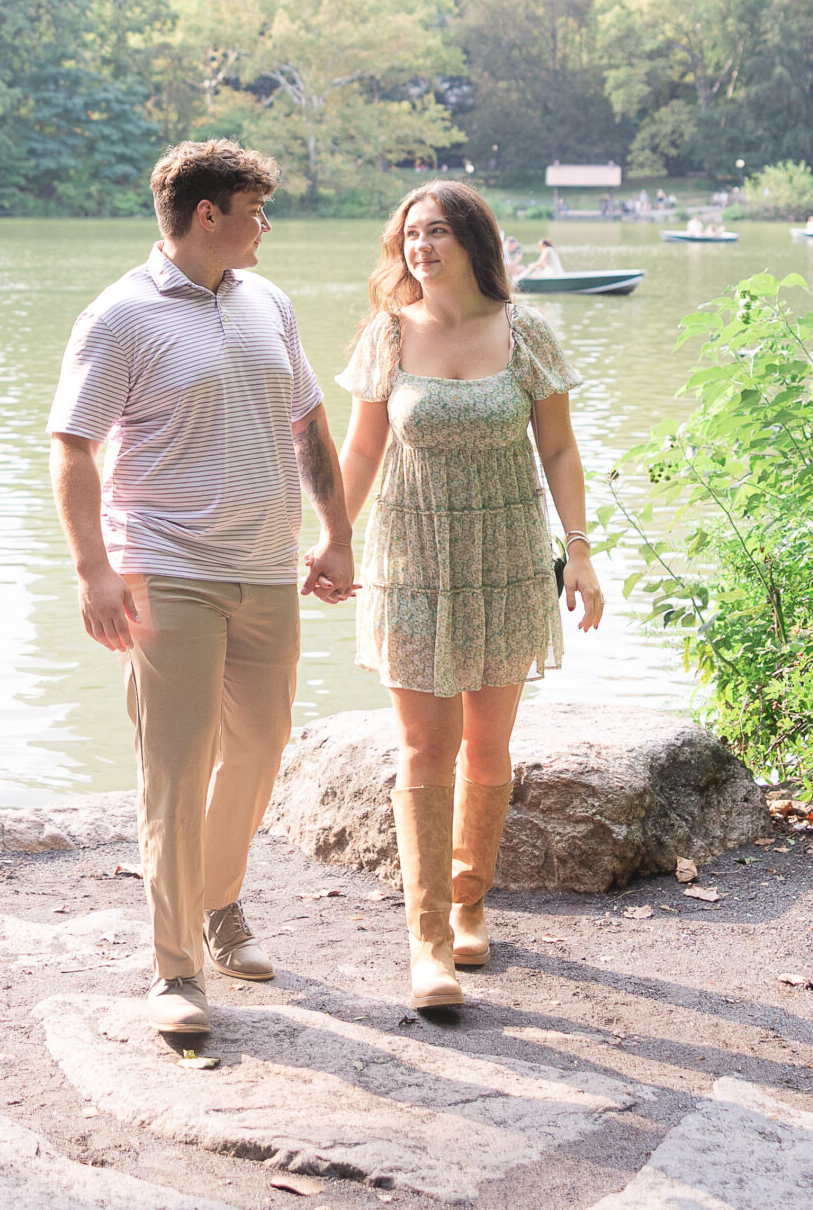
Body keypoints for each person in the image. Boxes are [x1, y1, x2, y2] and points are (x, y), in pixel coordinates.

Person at [48, 139, 356, 1042]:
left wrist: (336, 533)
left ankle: (220, 905)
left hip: (265, 564)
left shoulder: (269, 304)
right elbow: (71, 445)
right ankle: (176, 967)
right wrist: (93, 570)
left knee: (260, 748)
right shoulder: (119, 317)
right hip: (165, 567)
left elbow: (305, 422)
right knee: (174, 770)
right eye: (254, 209)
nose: (266, 225)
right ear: (206, 215)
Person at [335, 182, 604, 1011]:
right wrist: (330, 541)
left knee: (487, 745)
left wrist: (581, 554)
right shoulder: (387, 336)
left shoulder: (524, 334)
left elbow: (558, 451)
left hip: (505, 556)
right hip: (411, 555)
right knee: (424, 746)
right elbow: (361, 450)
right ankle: (426, 946)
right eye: (411, 233)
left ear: (472, 241)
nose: (421, 246)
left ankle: (468, 900)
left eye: (438, 231)